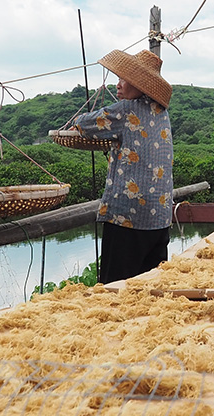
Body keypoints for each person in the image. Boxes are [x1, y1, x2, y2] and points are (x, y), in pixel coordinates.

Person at [72, 48, 174, 283]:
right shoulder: (162, 112)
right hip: (159, 218)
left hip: (128, 217)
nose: (118, 84)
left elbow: (86, 124)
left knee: (115, 287)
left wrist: (76, 122)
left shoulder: (127, 110)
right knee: (151, 286)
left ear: (141, 84)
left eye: (123, 79)